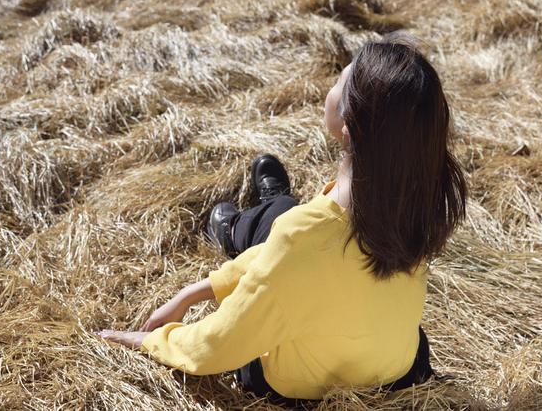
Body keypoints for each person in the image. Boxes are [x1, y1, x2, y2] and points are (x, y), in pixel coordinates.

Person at [97, 30, 467, 406]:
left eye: (341, 79)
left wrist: (152, 341)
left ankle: (238, 225)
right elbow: (308, 266)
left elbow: (216, 346)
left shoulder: (302, 236)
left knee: (279, 221)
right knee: (289, 225)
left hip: (297, 387)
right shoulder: (422, 205)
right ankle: (269, 207)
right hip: (396, 371)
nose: (334, 81)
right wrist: (196, 291)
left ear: (349, 129)